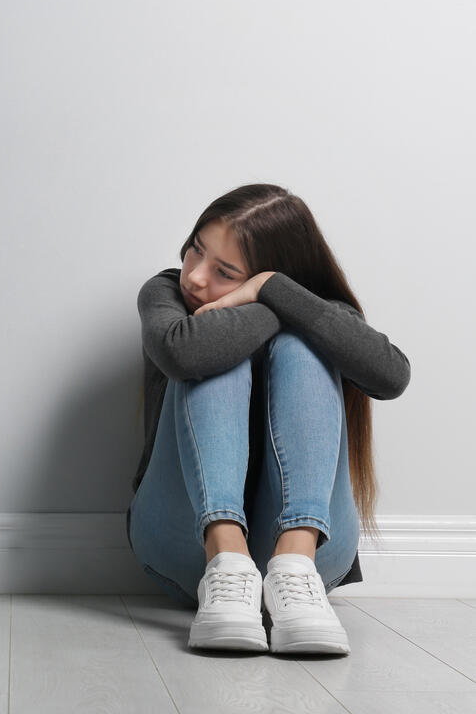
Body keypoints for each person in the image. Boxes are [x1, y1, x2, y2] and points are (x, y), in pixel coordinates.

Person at [126, 184, 410, 655]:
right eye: (197, 248)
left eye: (225, 271)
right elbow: (184, 350)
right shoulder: (165, 293)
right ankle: (226, 557)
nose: (195, 277)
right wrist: (278, 304)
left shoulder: (315, 310)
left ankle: (295, 568)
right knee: (212, 347)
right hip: (184, 551)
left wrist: (273, 291)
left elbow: (392, 376)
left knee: (303, 346)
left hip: (315, 561)